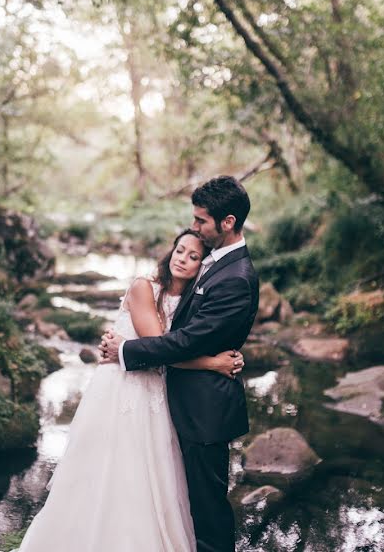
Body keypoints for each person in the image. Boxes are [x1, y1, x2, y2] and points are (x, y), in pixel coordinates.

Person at [18, 229, 245, 552]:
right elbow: (160, 350)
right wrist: (213, 364)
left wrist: (230, 353)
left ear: (202, 265)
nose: (183, 259)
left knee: (157, 473)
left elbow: (190, 341)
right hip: (125, 389)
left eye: (194, 257)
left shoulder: (194, 299)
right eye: (180, 251)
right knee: (116, 467)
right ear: (171, 251)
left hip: (160, 392)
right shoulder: (144, 287)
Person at [100, 175, 259, 552]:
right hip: (184, 403)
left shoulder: (235, 277)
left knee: (207, 511)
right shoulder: (215, 262)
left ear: (228, 222)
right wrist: (215, 359)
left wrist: (127, 350)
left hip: (206, 412)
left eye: (201, 220)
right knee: (187, 503)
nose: (194, 227)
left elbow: (188, 340)